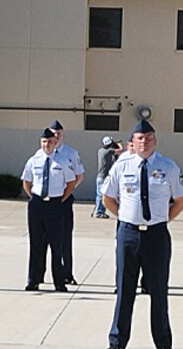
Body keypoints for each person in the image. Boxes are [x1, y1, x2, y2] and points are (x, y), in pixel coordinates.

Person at [101, 119, 183, 349]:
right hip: (128, 234)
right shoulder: (121, 166)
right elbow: (107, 197)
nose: (145, 142)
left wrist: (163, 219)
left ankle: (163, 344)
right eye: (140, 138)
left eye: (149, 138)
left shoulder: (168, 167)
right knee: (125, 289)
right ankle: (117, 342)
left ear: (155, 141)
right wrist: (126, 217)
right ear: (133, 142)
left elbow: (181, 200)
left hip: (157, 236)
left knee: (159, 290)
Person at [21, 128, 82, 291]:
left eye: (50, 142)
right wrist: (34, 197)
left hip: (55, 205)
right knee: (36, 244)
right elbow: (27, 182)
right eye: (44, 142)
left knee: (57, 245)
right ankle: (33, 280)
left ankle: (59, 282)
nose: (47, 145)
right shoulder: (33, 160)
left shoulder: (62, 161)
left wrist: (61, 199)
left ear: (55, 143)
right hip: (37, 205)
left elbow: (71, 183)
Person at [46, 121, 84, 286]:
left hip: (63, 200)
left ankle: (67, 273)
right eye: (54, 133)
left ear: (63, 135)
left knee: (65, 238)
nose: (56, 136)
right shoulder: (41, 153)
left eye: (59, 133)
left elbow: (79, 176)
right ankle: (39, 274)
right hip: (45, 201)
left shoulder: (71, 153)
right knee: (41, 240)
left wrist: (65, 193)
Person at [94, 136, 120, 219]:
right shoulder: (108, 151)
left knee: (99, 195)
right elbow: (120, 150)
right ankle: (99, 212)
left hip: (100, 176)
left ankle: (98, 211)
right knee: (103, 195)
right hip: (104, 177)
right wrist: (119, 144)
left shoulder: (100, 151)